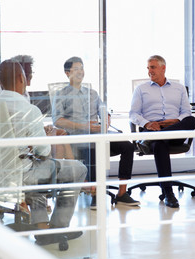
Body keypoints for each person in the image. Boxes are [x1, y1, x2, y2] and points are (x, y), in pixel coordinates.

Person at [0, 60, 87, 246]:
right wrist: (43, 136)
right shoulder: (28, 110)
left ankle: (41, 226)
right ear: (21, 79)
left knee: (35, 166)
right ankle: (58, 227)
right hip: (22, 173)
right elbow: (44, 150)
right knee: (77, 169)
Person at [52, 56, 140, 209]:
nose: (81, 72)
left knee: (127, 146)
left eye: (82, 68)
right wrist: (83, 126)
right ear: (67, 73)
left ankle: (122, 193)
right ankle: (95, 194)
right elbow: (57, 120)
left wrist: (106, 120)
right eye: (76, 69)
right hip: (78, 138)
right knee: (94, 146)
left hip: (98, 134)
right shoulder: (61, 94)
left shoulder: (92, 93)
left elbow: (104, 110)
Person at [129, 55, 195, 208]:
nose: (149, 71)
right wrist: (147, 123)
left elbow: (187, 112)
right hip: (152, 128)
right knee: (160, 144)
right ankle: (169, 193)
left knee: (192, 120)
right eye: (148, 68)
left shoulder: (179, 88)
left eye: (152, 67)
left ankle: (157, 137)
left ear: (163, 68)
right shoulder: (141, 89)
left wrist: (175, 121)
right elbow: (133, 114)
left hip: (174, 130)